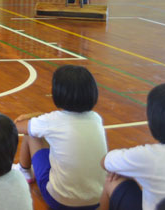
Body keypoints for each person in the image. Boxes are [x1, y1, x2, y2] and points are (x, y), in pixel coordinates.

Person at [99, 83, 165, 210]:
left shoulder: (149, 156)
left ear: (155, 123)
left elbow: (104, 162)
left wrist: (131, 171)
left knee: (112, 181)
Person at [13, 65, 107, 209]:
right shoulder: (96, 118)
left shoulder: (53, 121)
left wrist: (26, 118)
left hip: (61, 201)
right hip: (97, 200)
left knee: (32, 133)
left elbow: (18, 126)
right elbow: (55, 121)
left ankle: (24, 170)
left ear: (57, 93)